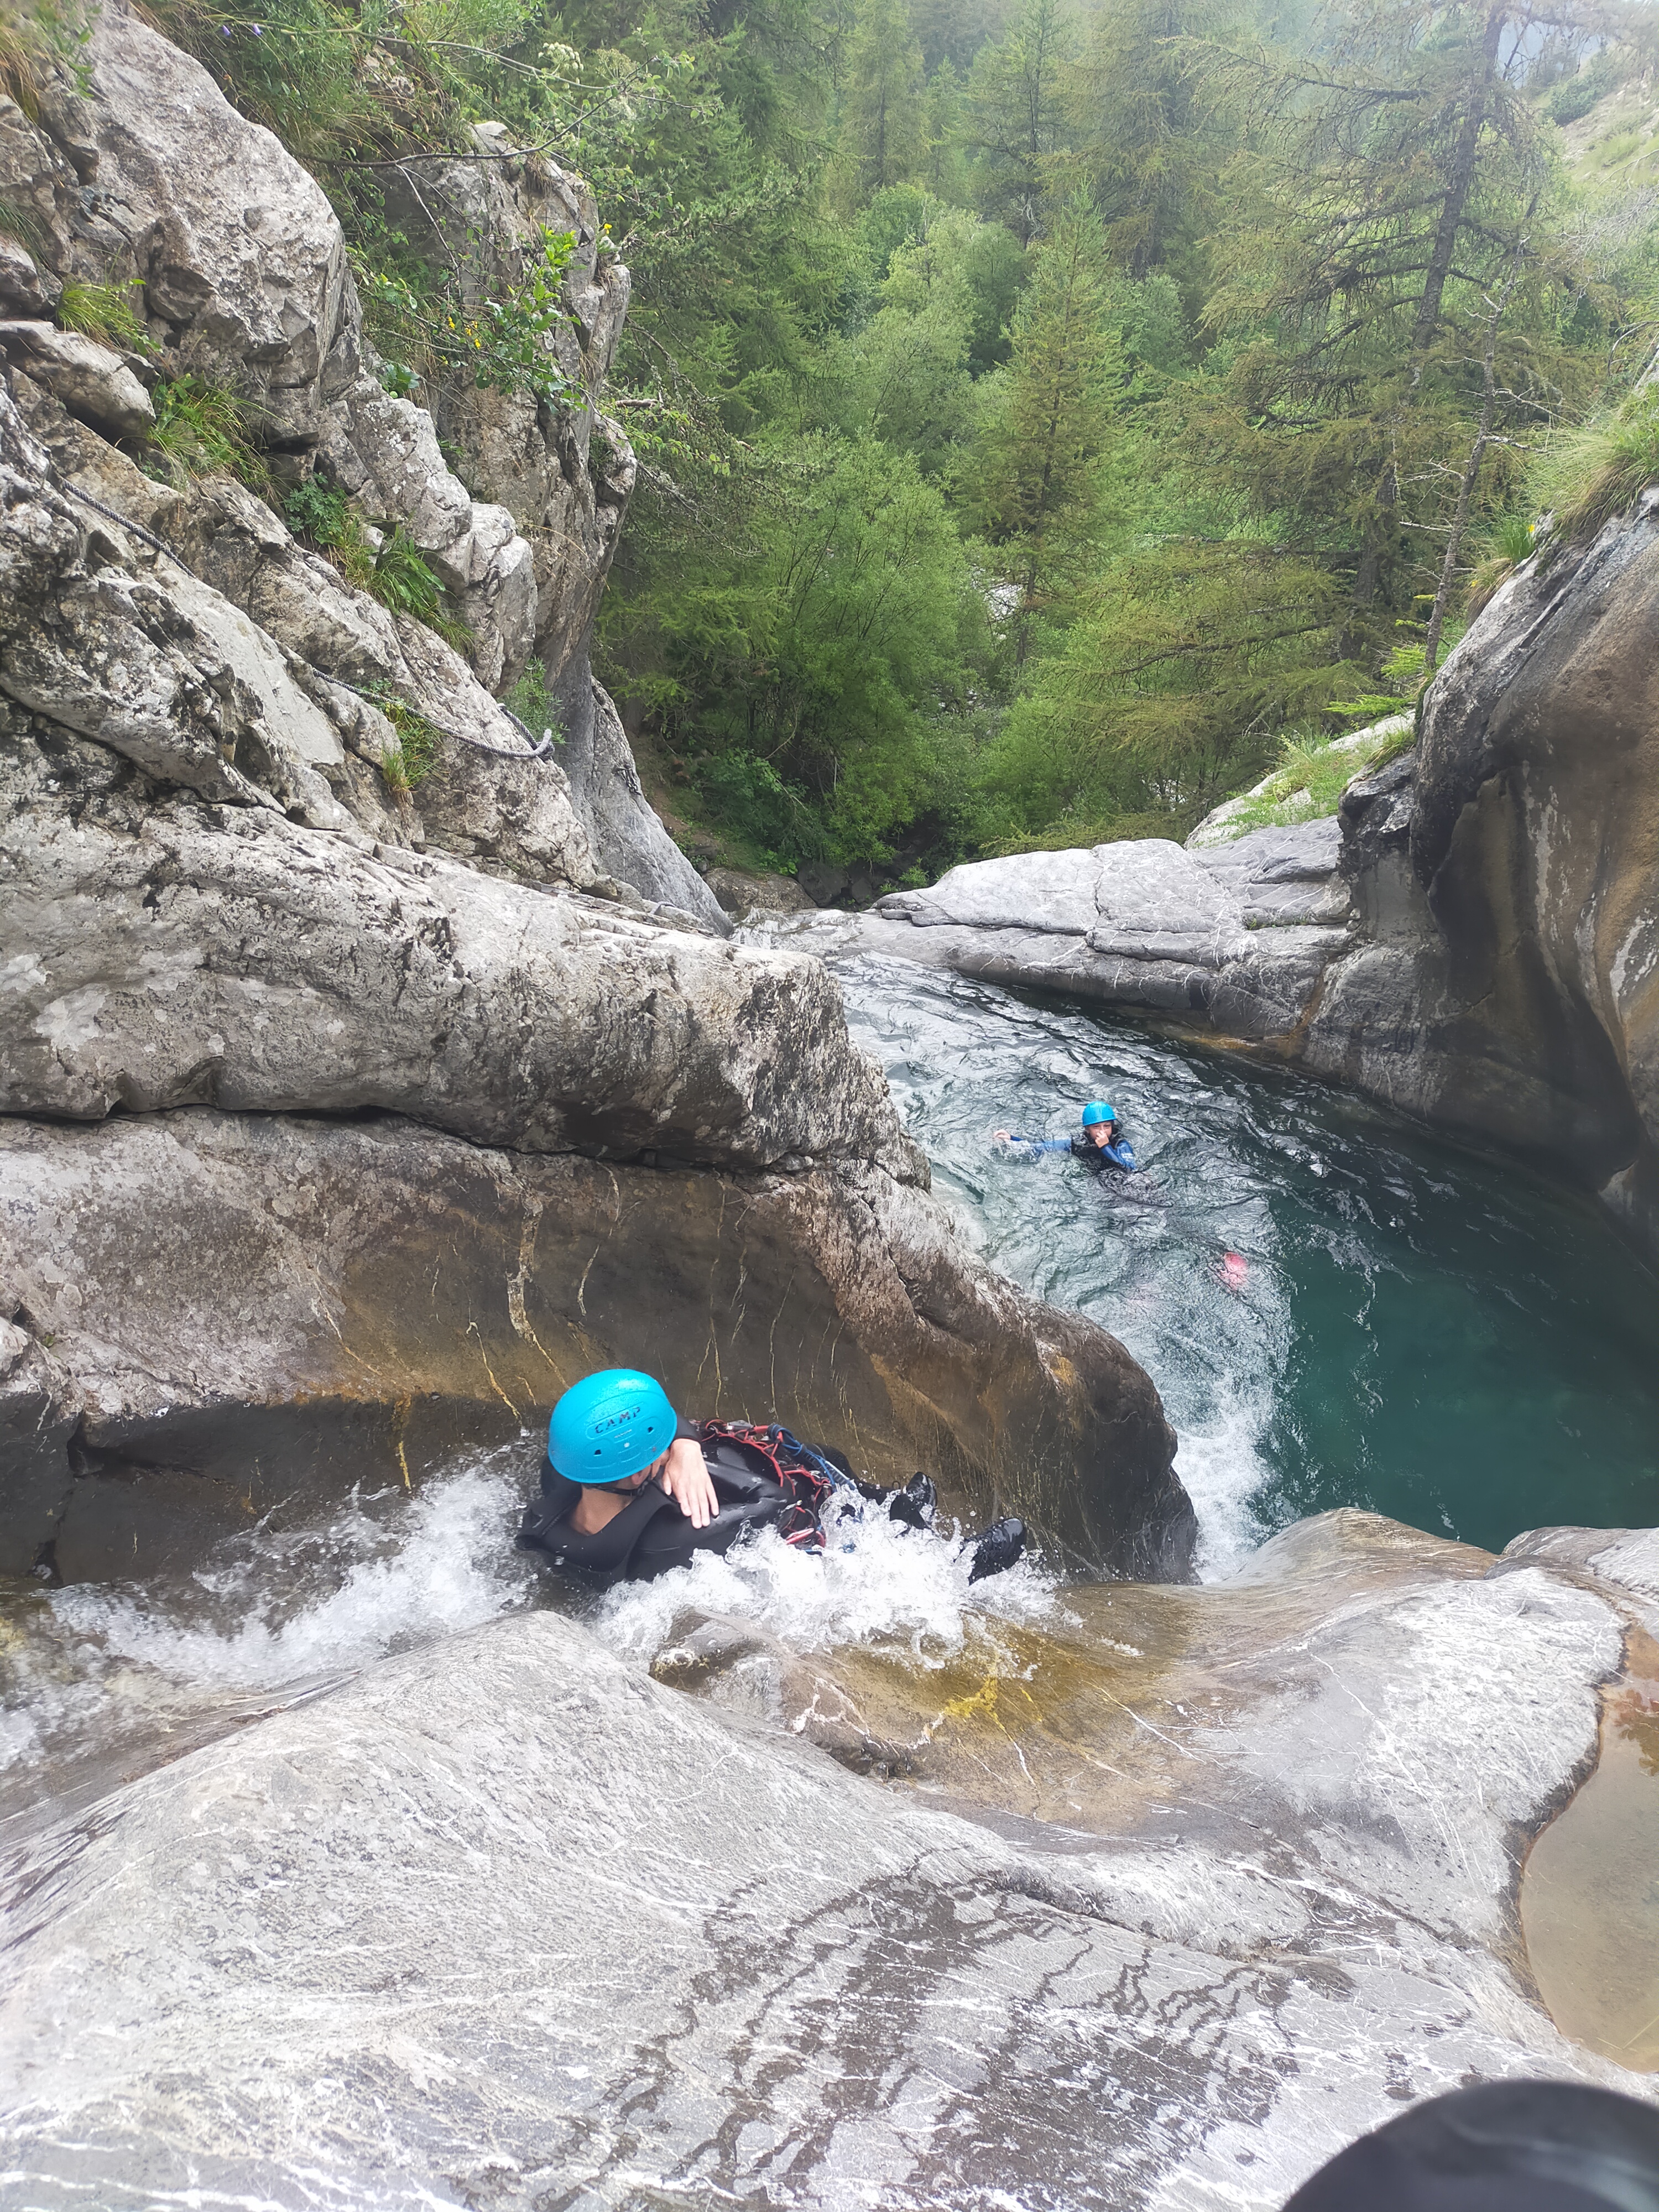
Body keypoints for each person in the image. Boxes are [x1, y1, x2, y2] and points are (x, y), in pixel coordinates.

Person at [518, 1368, 1027, 1590]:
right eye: (659, 1439)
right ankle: (955, 1570)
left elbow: (655, 1436)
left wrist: (686, 1445)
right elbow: (775, 1505)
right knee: (809, 1480)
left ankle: (888, 1501)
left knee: (810, 1455)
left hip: (649, 1507)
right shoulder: (677, 1535)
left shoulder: (563, 1481)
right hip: (773, 1553)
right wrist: (677, 1462)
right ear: (633, 1471)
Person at [994, 1099, 1138, 1173]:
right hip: (1100, 1179)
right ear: (1087, 1130)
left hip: (1122, 1179)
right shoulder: (1078, 1143)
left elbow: (1129, 1169)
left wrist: (1106, 1147)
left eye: (1107, 1127)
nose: (1102, 1132)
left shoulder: (1120, 1144)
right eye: (1096, 1127)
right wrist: (1012, 1138)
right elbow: (1044, 1147)